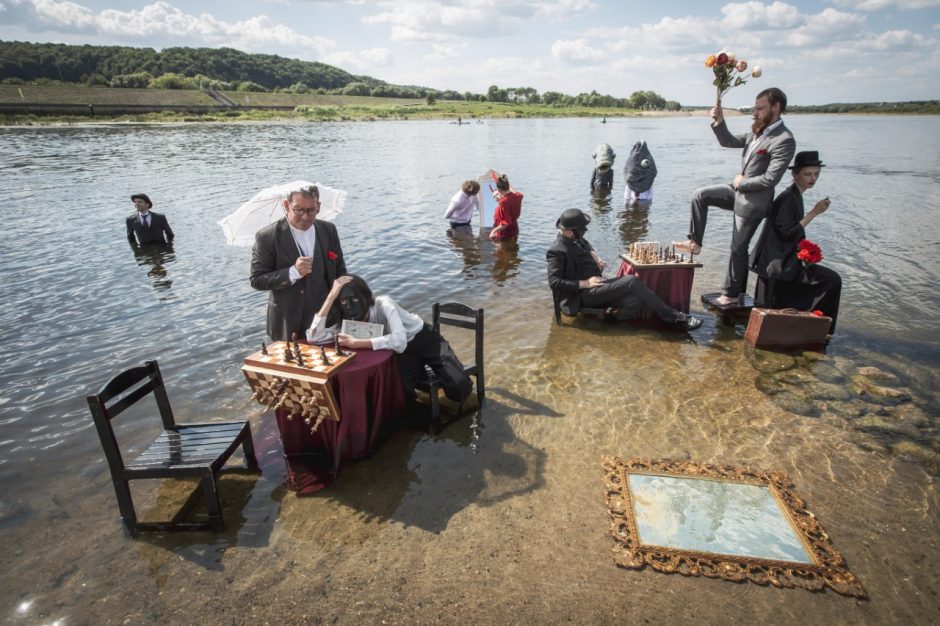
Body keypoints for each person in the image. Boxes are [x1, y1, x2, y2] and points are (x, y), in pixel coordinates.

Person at [673, 87, 796, 306]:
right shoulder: (757, 132)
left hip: (754, 202)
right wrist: (719, 121)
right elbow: (727, 141)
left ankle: (730, 295)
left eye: (760, 108)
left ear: (776, 107)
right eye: (755, 108)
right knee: (700, 196)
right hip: (738, 192)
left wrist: (742, 182)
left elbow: (770, 179)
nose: (755, 113)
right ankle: (694, 242)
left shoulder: (784, 139)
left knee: (737, 248)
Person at [308, 275, 471, 406]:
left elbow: (399, 340)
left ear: (368, 296)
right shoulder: (347, 323)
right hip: (402, 354)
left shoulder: (384, 304)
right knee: (401, 394)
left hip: (424, 340)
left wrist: (358, 343)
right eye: (343, 301)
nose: (350, 306)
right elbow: (314, 337)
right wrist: (330, 298)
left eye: (355, 299)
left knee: (459, 386)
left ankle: (445, 379)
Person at [547, 209, 703, 330]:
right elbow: (554, 282)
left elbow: (585, 244)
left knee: (634, 302)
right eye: (581, 229)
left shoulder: (575, 239)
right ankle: (676, 317)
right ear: (568, 231)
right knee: (631, 281)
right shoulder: (557, 251)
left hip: (599, 286)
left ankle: (608, 320)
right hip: (582, 294)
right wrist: (585, 283)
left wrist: (596, 257)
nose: (584, 232)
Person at [750, 151, 841, 332]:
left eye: (816, 174)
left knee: (829, 279)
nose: (813, 178)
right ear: (795, 174)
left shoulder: (795, 195)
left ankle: (816, 326)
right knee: (833, 280)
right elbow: (787, 234)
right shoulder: (788, 198)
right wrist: (814, 212)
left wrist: (806, 254)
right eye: (808, 174)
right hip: (777, 264)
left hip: (783, 260)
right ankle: (822, 328)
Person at [250, 184, 346, 341]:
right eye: (299, 210)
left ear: (318, 206)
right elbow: (257, 280)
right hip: (288, 323)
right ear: (286, 206)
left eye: (311, 210)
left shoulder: (329, 230)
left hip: (327, 319)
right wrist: (292, 272)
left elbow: (340, 271)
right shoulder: (266, 237)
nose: (306, 216)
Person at [489, 174, 523, 242]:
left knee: (503, 252)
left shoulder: (503, 202)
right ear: (508, 186)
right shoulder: (519, 196)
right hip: (515, 228)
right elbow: (513, 191)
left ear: (499, 190)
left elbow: (505, 223)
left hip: (505, 232)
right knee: (513, 251)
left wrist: (493, 231)